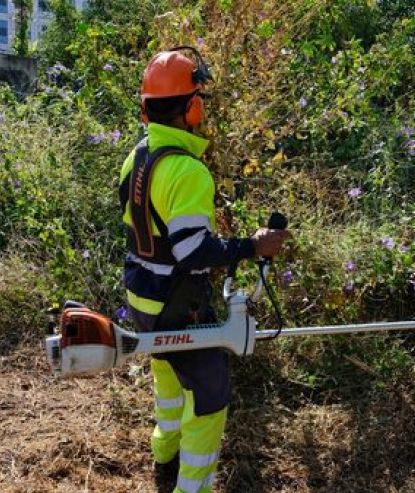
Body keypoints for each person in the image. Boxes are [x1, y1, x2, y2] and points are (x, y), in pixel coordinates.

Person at [118, 47, 290, 492]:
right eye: (200, 101)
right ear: (192, 108)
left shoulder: (137, 157)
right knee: (210, 396)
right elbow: (193, 252)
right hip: (176, 304)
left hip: (141, 297)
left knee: (168, 376)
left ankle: (164, 454)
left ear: (146, 107)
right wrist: (252, 246)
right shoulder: (187, 172)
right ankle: (191, 487)